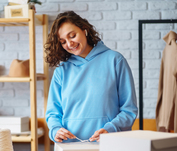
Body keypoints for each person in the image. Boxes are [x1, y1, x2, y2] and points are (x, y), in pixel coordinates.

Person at [44, 11, 138, 143]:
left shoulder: (115, 60)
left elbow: (129, 109)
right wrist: (55, 129)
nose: (69, 44)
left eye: (72, 36)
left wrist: (111, 128)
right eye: (63, 41)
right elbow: (53, 113)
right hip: (69, 148)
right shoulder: (61, 70)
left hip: (109, 145)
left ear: (85, 30)